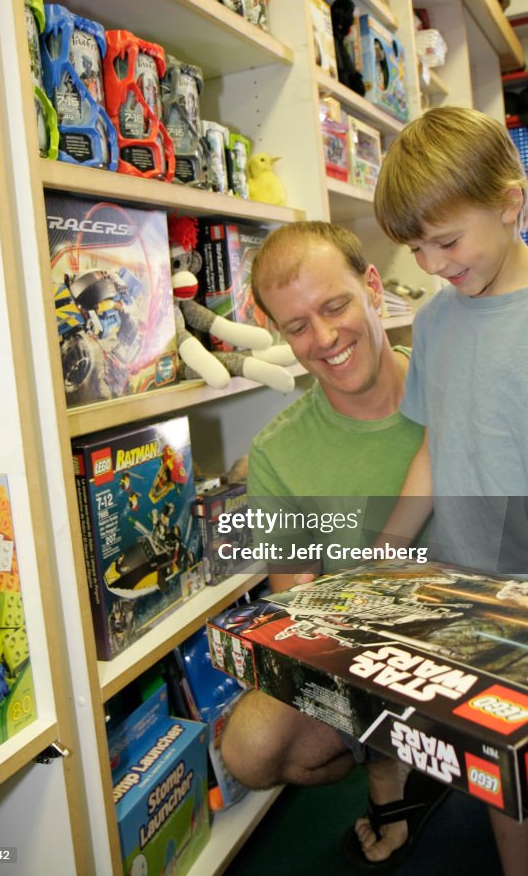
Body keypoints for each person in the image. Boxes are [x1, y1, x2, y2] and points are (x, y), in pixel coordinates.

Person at [373, 105, 528, 876]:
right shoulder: (435, 322)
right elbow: (436, 449)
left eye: (447, 241)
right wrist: (384, 546)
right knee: (492, 776)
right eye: (417, 248)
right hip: (464, 588)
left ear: (511, 204)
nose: (435, 263)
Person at [220, 220, 441, 868]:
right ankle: (391, 763)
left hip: (486, 637)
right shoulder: (276, 452)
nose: (322, 339)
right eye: (295, 327)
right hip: (372, 654)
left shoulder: (458, 388)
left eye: (334, 305)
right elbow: (305, 620)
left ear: (372, 287)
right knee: (251, 750)